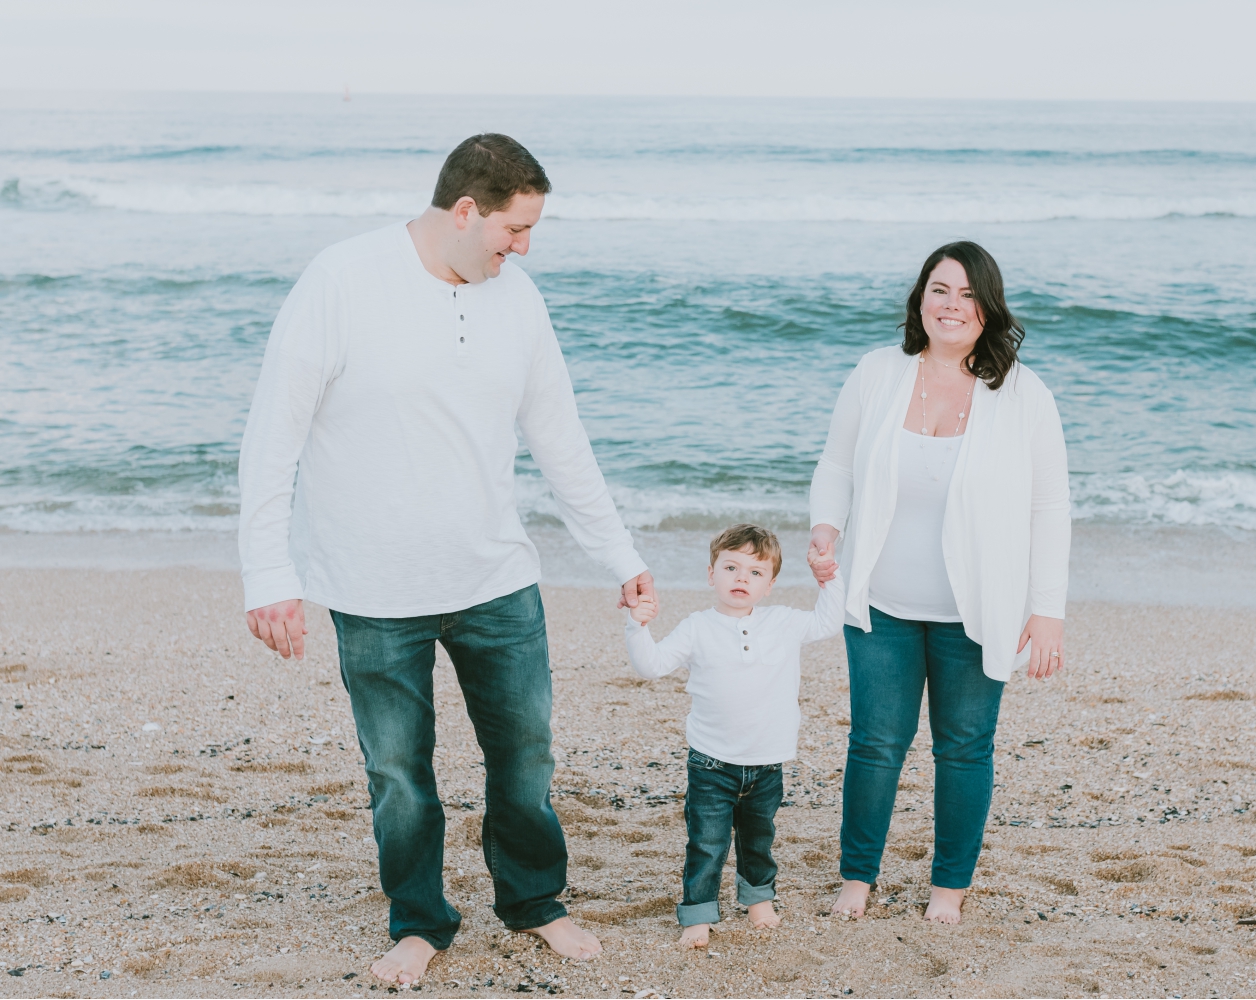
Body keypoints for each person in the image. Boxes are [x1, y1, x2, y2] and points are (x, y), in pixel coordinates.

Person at [237, 134, 656, 984]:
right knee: (397, 773)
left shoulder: (518, 298)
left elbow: (559, 439)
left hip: (496, 579)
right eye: (515, 229)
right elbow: (271, 436)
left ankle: (535, 901)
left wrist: (620, 553)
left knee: (527, 757)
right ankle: (420, 920)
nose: (525, 248)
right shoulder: (342, 280)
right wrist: (269, 575)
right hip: (372, 586)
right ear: (466, 211)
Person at [805, 241, 1070, 925]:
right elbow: (836, 464)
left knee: (963, 749)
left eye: (966, 295)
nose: (951, 306)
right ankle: (857, 880)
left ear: (988, 309)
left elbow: (1049, 507)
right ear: (919, 299)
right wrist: (826, 527)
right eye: (940, 290)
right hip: (881, 604)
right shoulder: (876, 373)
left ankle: (948, 891)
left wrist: (1047, 612)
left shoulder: (1023, 393)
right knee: (874, 744)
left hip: (977, 609)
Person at [623, 524, 845, 948]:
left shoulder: (783, 622)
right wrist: (638, 626)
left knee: (759, 839)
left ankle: (758, 899)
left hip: (767, 761)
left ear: (770, 585)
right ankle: (698, 914)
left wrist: (827, 579)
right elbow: (651, 666)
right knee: (706, 843)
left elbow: (829, 621)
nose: (742, 578)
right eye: (731, 567)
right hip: (712, 762)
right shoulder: (696, 627)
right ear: (712, 575)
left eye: (755, 572)